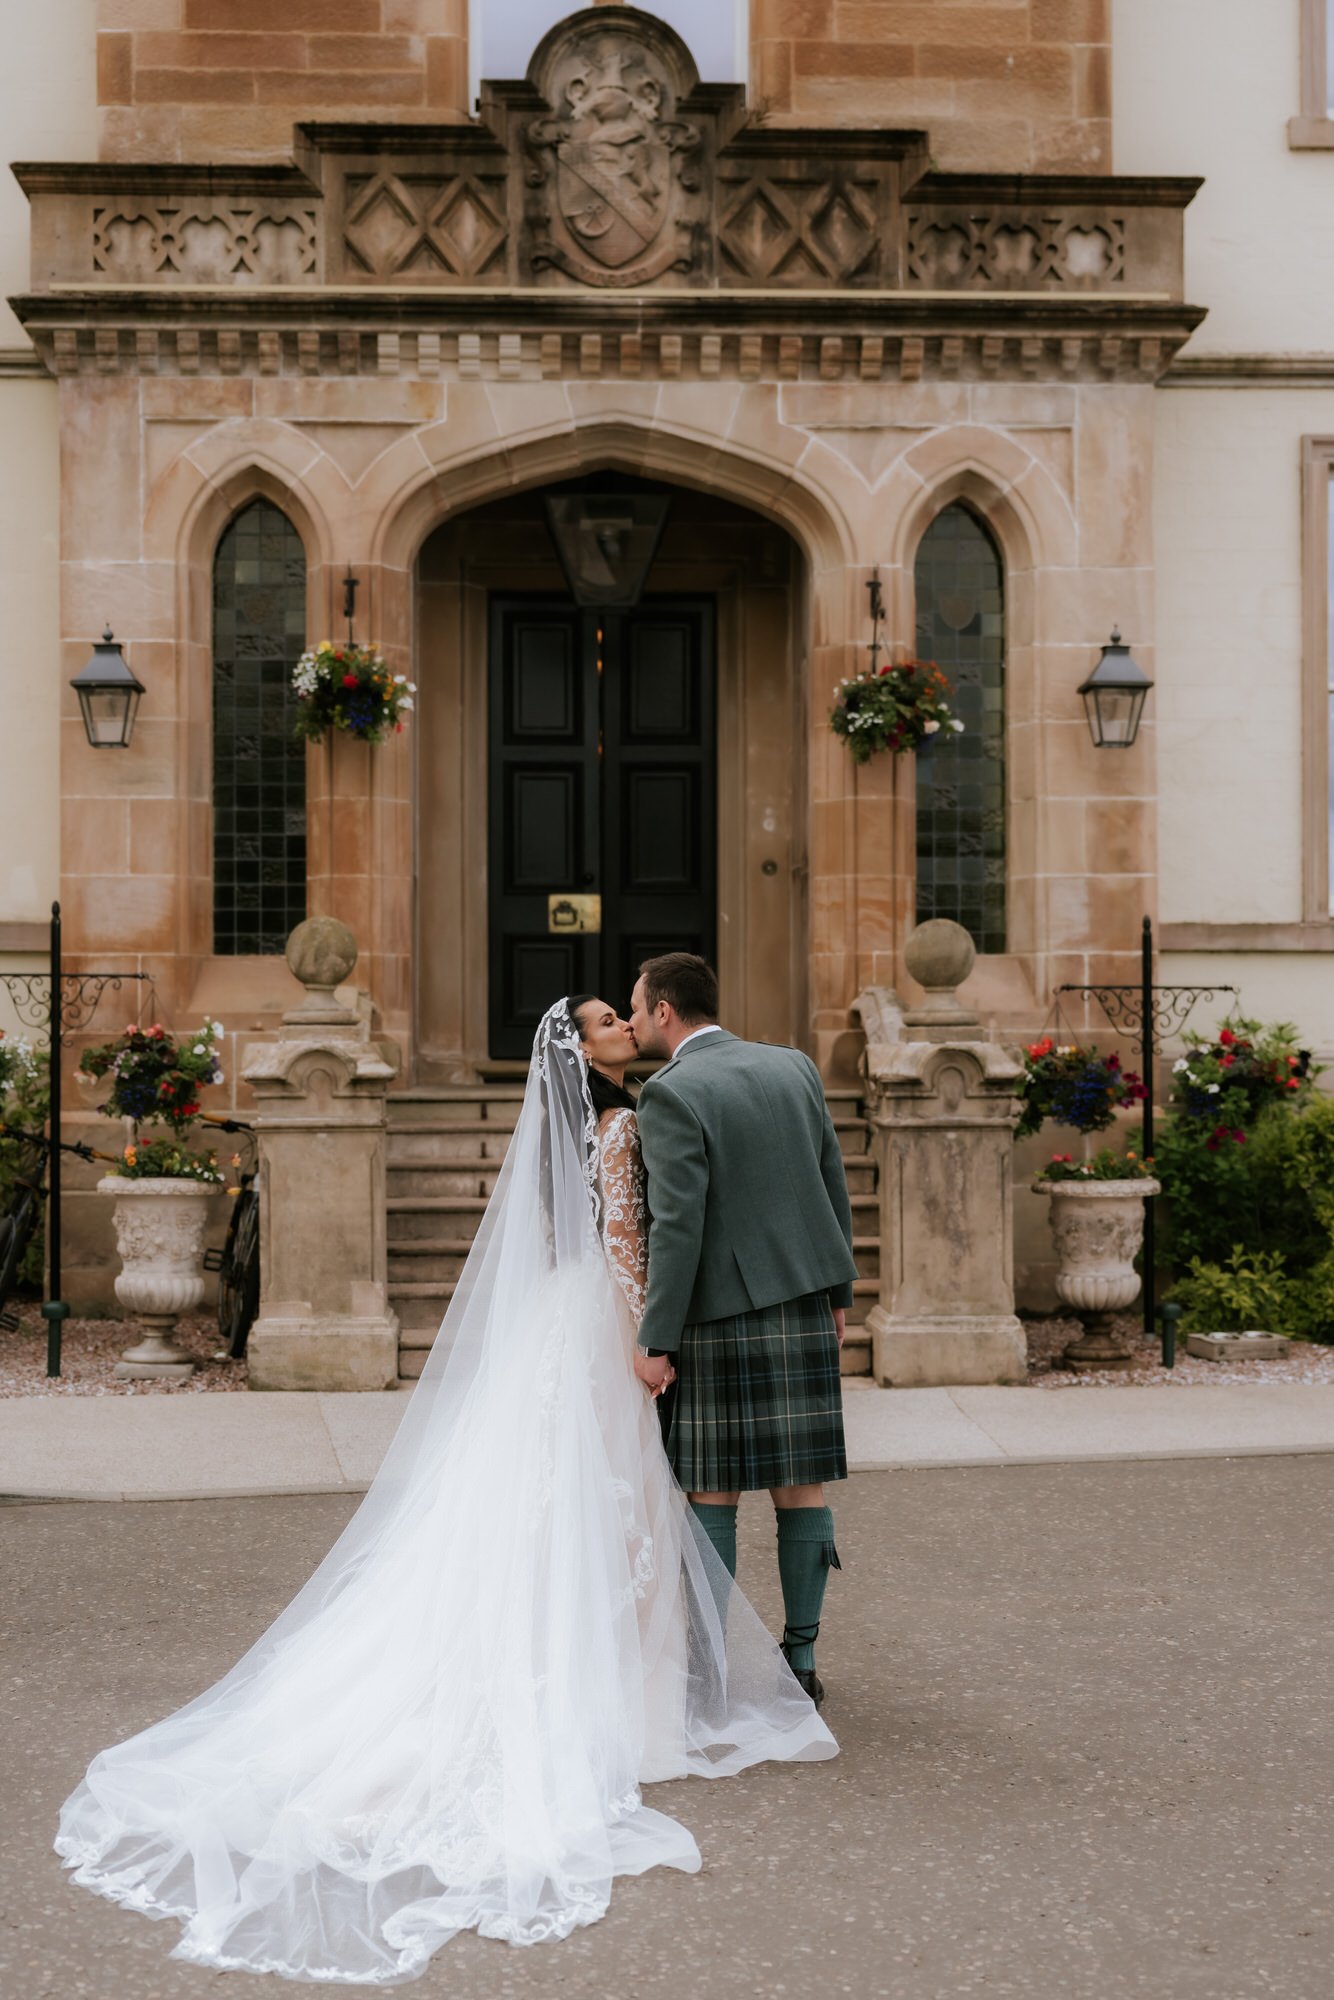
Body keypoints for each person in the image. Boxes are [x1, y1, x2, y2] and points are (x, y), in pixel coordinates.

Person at [54, 997, 834, 1985]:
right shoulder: (622, 1120)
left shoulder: (577, 1123)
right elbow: (630, 1240)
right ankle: (633, 1701)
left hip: (557, 1319)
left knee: (560, 1512)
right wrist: (648, 1341)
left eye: (621, 1011)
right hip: (600, 1327)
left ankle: (606, 1676)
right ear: (586, 1049)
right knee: (615, 1507)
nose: (621, 1024)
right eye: (605, 1019)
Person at [628, 953, 858, 1707]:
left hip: (721, 1316)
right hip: (802, 1302)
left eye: (636, 1008)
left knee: (713, 1494)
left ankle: (711, 1670)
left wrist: (655, 1338)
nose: (632, 1023)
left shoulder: (671, 1093)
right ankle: (802, 1661)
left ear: (665, 1011)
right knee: (801, 1488)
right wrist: (839, 1288)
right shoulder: (793, 1066)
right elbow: (831, 1179)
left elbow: (677, 1225)